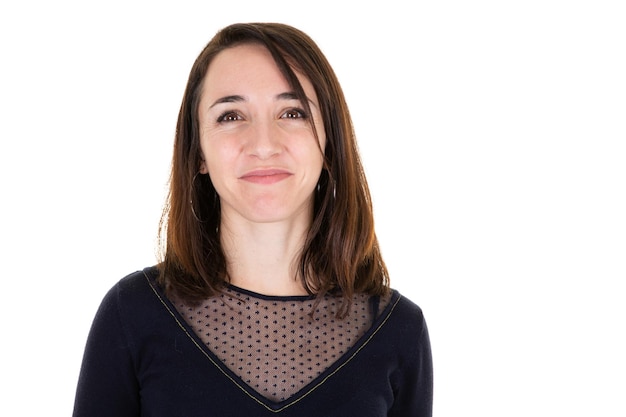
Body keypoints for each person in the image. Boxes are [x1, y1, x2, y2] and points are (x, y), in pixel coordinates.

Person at [72, 22, 433, 416]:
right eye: (230, 116)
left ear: (330, 143)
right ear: (198, 152)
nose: (263, 144)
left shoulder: (399, 330)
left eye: (292, 112)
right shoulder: (132, 314)